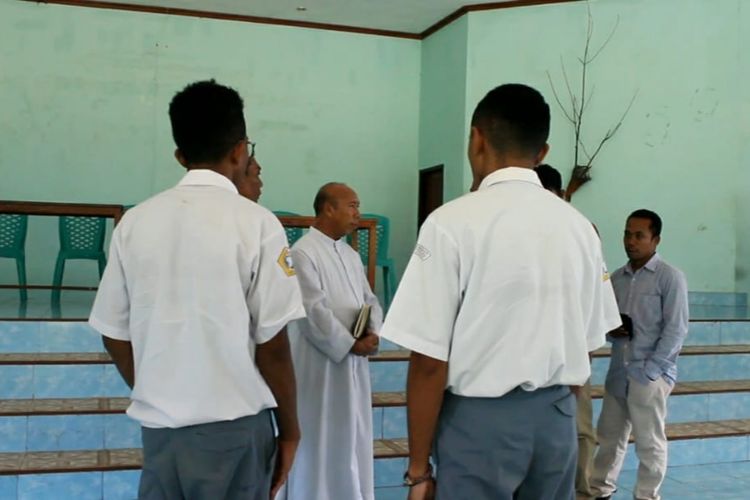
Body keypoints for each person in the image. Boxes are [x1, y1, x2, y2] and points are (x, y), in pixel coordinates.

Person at [379, 83, 622, 500]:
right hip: (557, 423)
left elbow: (428, 362)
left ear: (476, 138)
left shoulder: (450, 223)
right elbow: (589, 340)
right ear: (542, 152)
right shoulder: (579, 228)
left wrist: (418, 471)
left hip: (479, 425)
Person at [88, 80, 305, 500]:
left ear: (180, 156)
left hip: (162, 435)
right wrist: (290, 429)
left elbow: (113, 332)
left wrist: (153, 384)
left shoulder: (135, 222)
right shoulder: (257, 224)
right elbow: (273, 345)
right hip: (235, 430)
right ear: (240, 150)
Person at [279, 182, 382, 500]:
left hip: (353, 364)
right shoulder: (302, 253)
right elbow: (312, 311)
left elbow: (370, 300)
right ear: (328, 209)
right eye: (351, 205)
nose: (357, 214)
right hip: (320, 365)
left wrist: (372, 331)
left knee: (352, 436)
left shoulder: (350, 254)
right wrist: (349, 344)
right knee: (320, 436)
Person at [590, 209, 689, 500]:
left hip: (649, 375)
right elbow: (606, 324)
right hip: (618, 373)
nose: (631, 241)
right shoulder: (617, 279)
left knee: (649, 442)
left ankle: (647, 495)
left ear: (655, 240)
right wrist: (613, 330)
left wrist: (652, 371)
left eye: (639, 236)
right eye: (627, 234)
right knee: (609, 438)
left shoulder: (670, 278)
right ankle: (600, 490)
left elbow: (676, 329)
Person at [536, 163, 598, 500]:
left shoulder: (583, 232)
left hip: (571, 350)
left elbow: (596, 305)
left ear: (559, 195)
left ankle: (583, 492)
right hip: (535, 353)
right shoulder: (522, 230)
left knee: (580, 429)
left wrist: (582, 355)